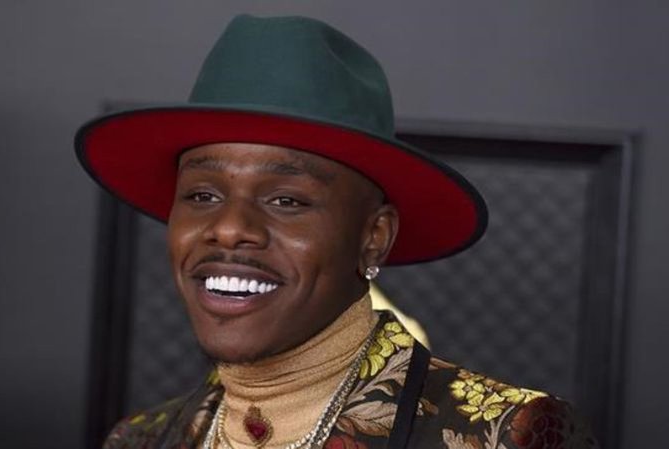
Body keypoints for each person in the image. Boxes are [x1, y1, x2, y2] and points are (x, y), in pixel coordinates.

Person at [75, 14, 597, 449]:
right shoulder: (138, 440)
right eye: (202, 196)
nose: (229, 229)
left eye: (286, 200)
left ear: (374, 237)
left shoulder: (510, 436)